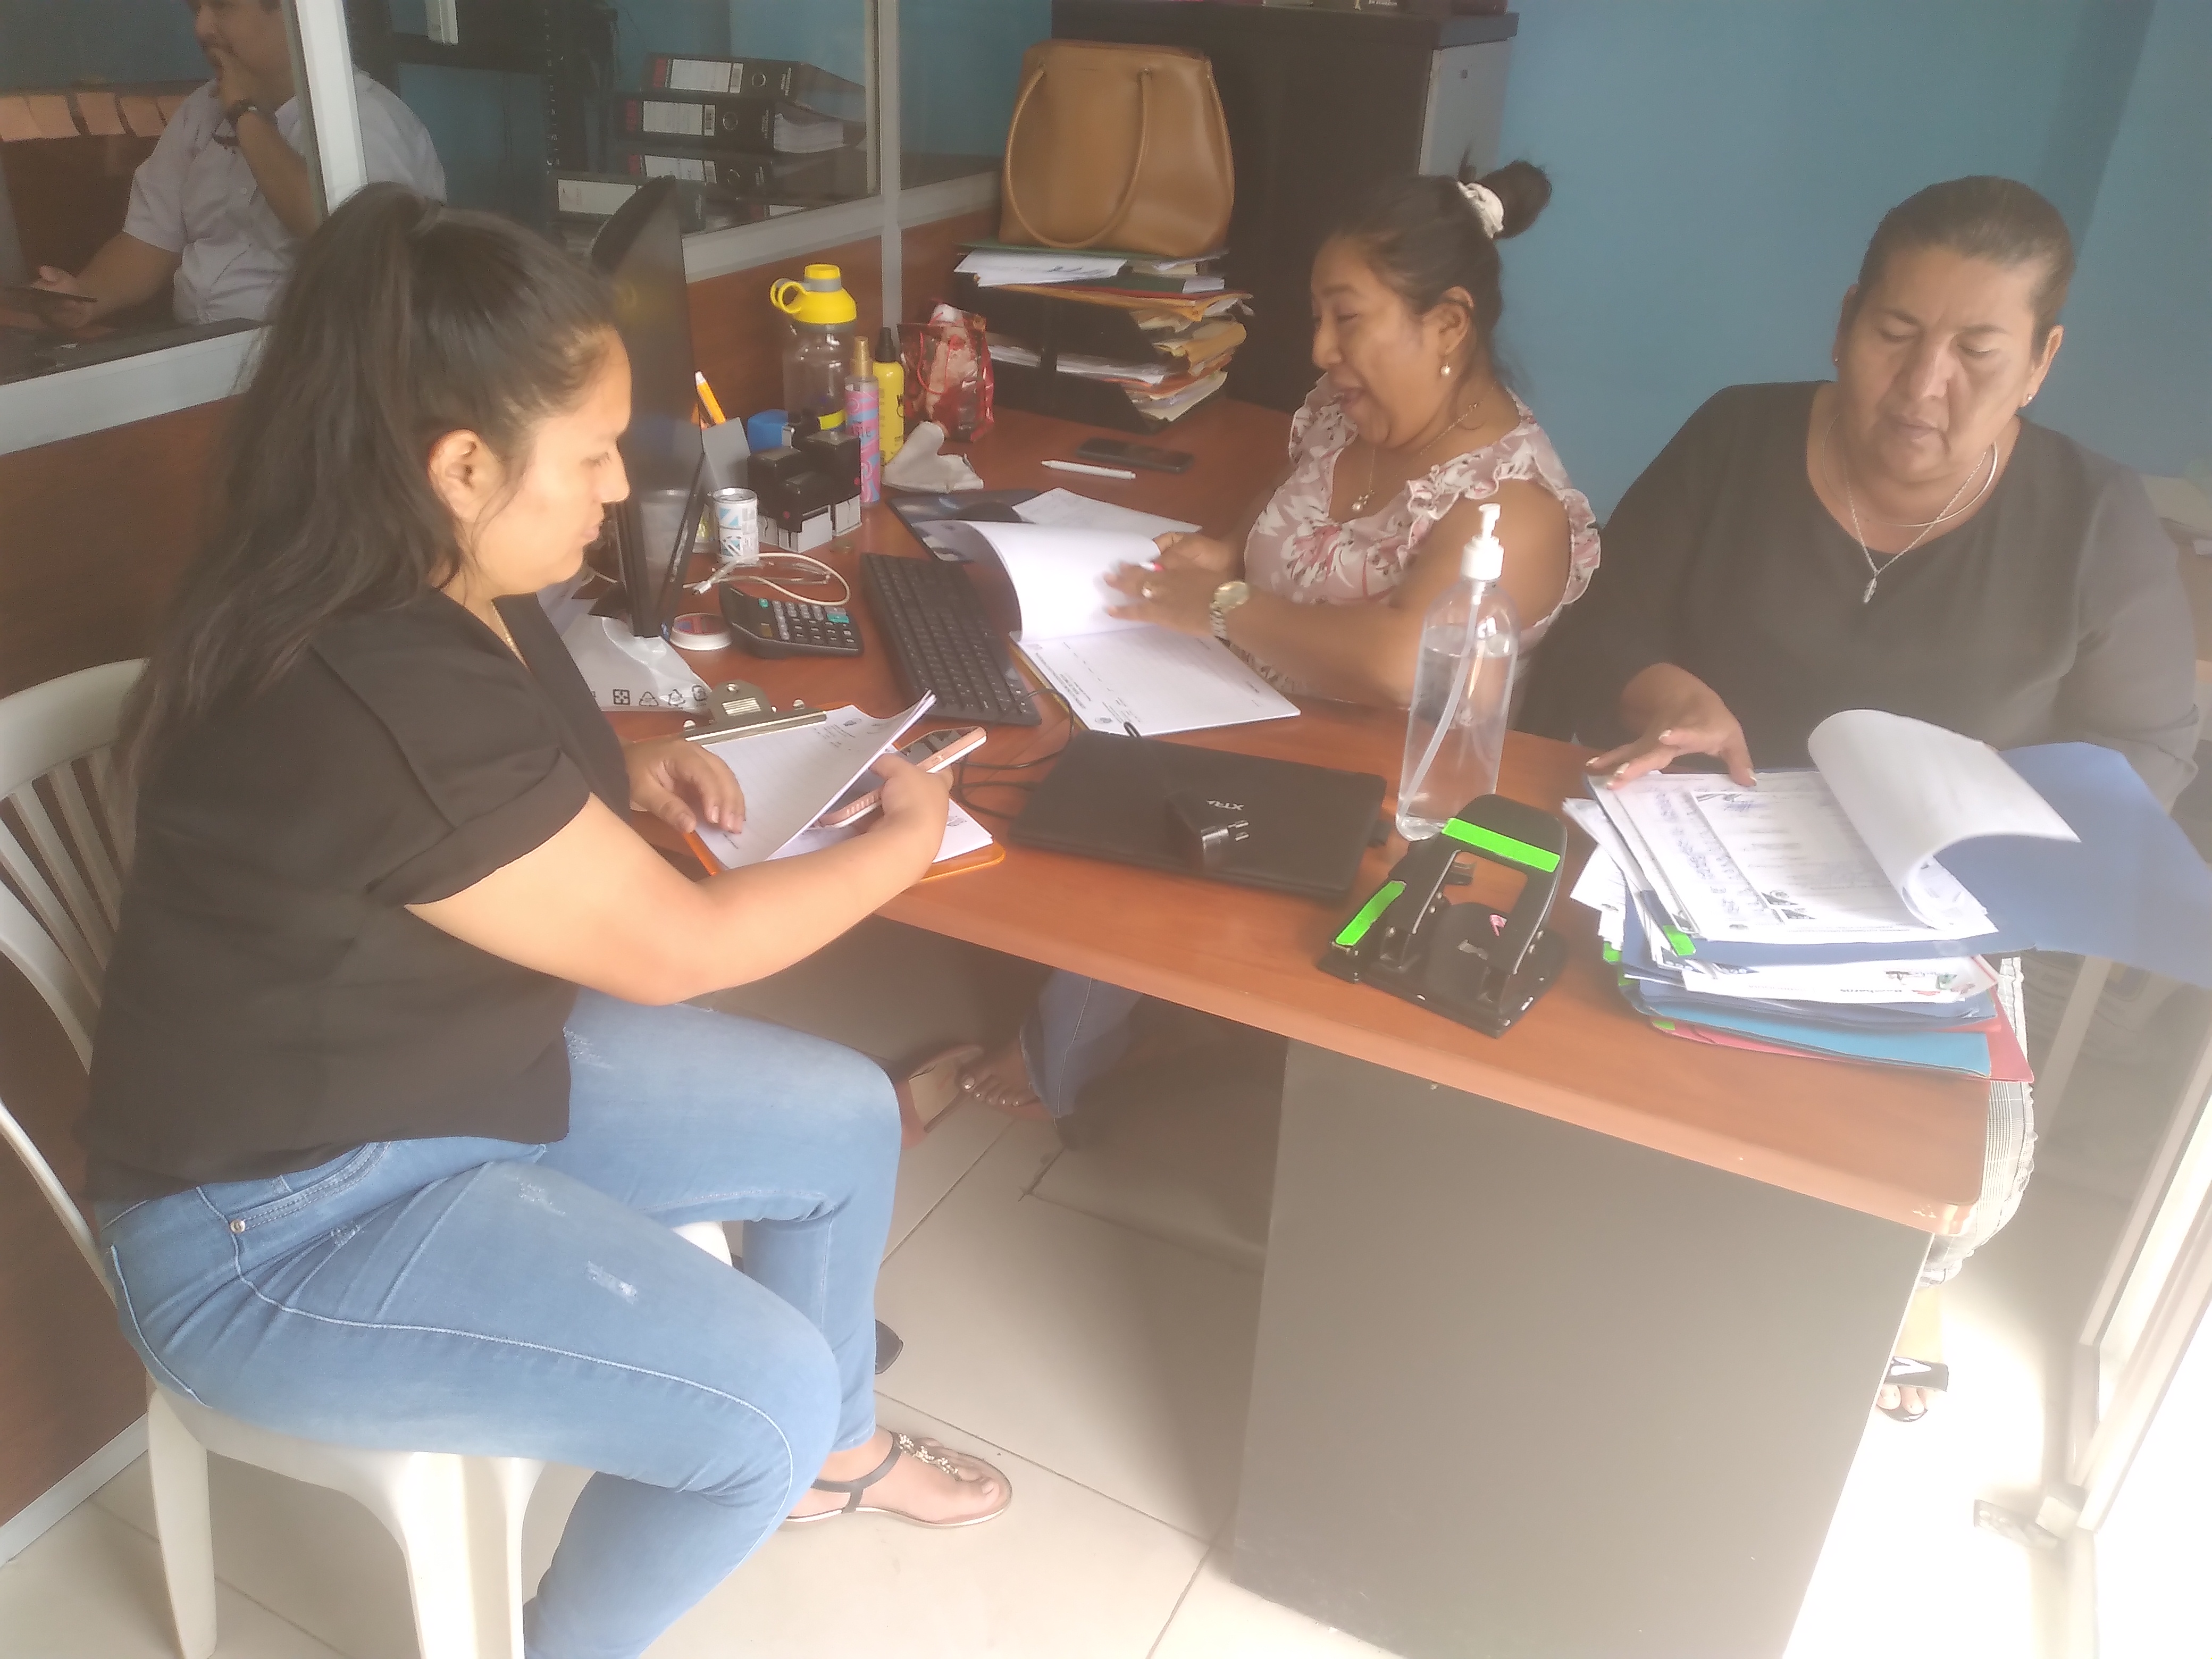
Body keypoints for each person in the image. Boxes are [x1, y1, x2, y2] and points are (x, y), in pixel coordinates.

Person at [85, 186, 1006, 1659]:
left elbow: (440, 799)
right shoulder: (368, 678)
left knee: (841, 1119)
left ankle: (833, 1459)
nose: (614, 487)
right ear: (462, 464)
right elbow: (680, 948)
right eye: (589, 456)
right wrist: (905, 844)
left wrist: (618, 772)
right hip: (273, 1228)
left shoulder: (439, 571)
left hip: (436, 1069)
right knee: (751, 1402)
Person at [1537, 175, 2200, 1421]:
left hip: (1932, 906)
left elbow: (2152, 742)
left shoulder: (2091, 518)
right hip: (1698, 861)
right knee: (1584, 1092)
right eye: (1896, 333)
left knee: (1962, 1179)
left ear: (2040, 363)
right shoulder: (1736, 438)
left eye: (1976, 352)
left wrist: (1994, 835)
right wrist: (1663, 688)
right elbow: (1600, 626)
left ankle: (1894, 1282)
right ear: (1846, 320)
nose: (1922, 383)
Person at [950, 162, 1601, 1130]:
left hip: (1383, 793)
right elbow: (1278, 511)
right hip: (1240, 706)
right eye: (1318, 317)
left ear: (1448, 324)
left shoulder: (1515, 506)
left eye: (1348, 318)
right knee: (1025, 719)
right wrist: (1220, 551)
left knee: (1133, 820)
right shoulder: (1345, 415)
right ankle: (1106, 1003)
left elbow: (1399, 661)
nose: (1322, 349)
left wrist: (1221, 604)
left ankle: (1069, 1052)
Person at [28, 0, 442, 330]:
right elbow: (149, 241)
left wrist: (247, 114)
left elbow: (345, 237)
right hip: (197, 353)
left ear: (293, 13)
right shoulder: (200, 112)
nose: (201, 28)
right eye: (195, 9)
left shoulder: (362, 119)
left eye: (222, 5)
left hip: (313, 366)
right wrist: (85, 296)